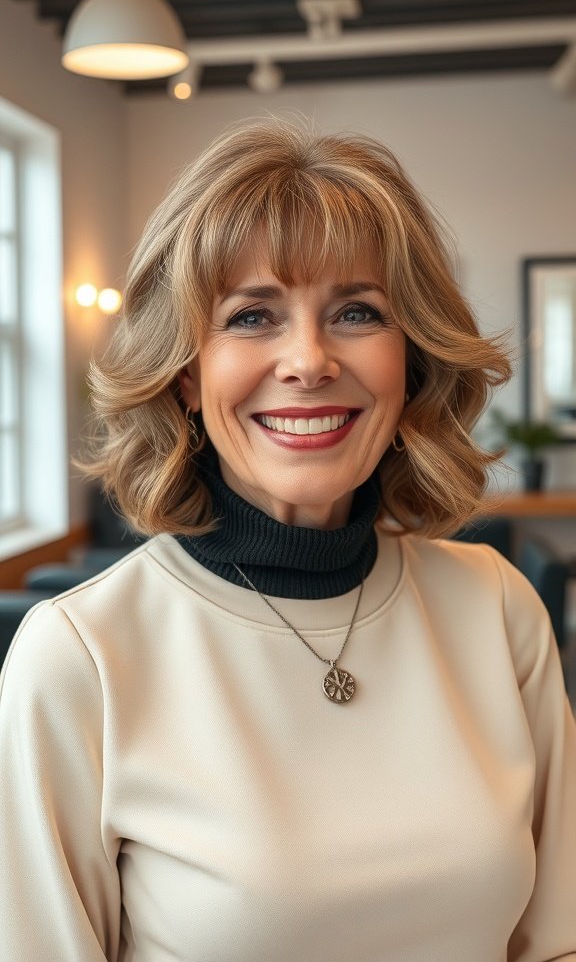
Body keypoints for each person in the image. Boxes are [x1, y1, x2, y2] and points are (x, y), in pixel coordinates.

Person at [1, 118, 575, 962]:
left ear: (408, 359)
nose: (308, 360)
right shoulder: (80, 658)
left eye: (355, 311)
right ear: (187, 375)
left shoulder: (497, 608)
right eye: (252, 316)